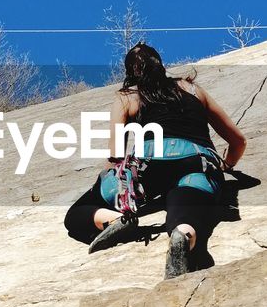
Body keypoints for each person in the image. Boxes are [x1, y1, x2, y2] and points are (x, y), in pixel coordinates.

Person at [63, 42, 247, 278]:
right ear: (160, 64)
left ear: (131, 72)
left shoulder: (127, 96)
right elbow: (238, 141)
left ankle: (117, 220)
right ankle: (183, 234)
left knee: (77, 214)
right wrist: (226, 165)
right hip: (195, 162)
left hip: (148, 166)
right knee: (186, 202)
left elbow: (116, 152)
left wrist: (112, 180)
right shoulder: (192, 90)